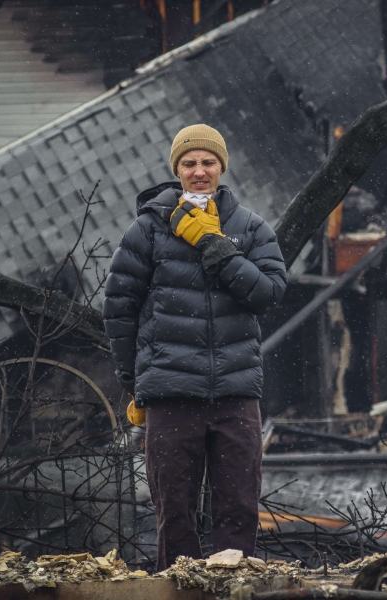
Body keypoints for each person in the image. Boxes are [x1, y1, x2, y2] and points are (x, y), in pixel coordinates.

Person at [102, 124, 287, 570]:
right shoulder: (147, 230)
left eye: (208, 162)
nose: (199, 171)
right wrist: (134, 382)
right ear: (176, 170)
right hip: (169, 393)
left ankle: (233, 589)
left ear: (222, 167)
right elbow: (119, 311)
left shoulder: (250, 227)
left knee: (239, 509)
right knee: (175, 513)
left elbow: (268, 294)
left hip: (236, 393)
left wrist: (215, 247)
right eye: (189, 163)